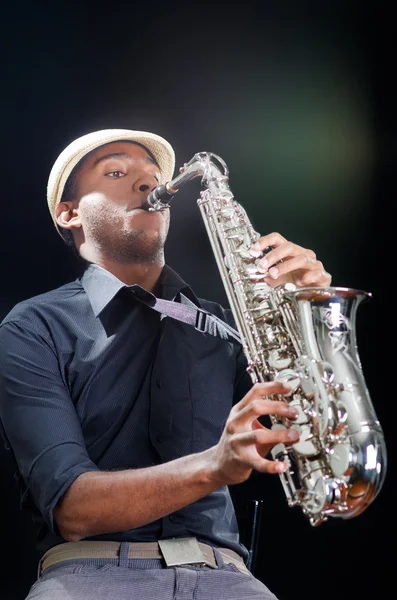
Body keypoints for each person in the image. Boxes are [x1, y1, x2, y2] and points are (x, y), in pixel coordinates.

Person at [0, 128, 332, 600]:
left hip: (228, 577)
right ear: (69, 214)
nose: (146, 184)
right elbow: (73, 509)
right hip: (86, 578)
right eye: (116, 172)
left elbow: (311, 438)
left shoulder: (222, 326)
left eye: (154, 177)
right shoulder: (32, 327)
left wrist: (310, 314)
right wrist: (214, 465)